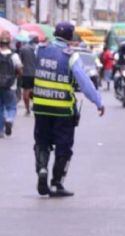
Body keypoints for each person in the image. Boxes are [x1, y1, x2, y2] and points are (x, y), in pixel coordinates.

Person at [31, 21, 105, 197]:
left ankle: (42, 169)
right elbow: (84, 83)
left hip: (41, 108)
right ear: (70, 37)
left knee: (42, 142)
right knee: (63, 146)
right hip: (63, 110)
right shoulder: (71, 56)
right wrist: (98, 101)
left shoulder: (39, 50)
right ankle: (56, 184)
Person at [0, 31, 21, 137]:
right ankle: (9, 119)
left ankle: (0, 131)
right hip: (10, 85)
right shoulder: (14, 56)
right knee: (11, 106)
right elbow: (20, 69)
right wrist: (16, 74)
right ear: (9, 43)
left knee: (0, 108)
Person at [19, 34, 39, 114]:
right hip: (37, 74)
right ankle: (35, 106)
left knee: (26, 92)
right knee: (35, 91)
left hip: (26, 73)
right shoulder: (39, 49)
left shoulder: (23, 48)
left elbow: (20, 62)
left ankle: (27, 109)